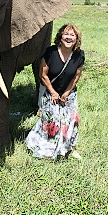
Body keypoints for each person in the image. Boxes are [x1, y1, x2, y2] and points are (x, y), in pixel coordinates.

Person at [26, 23, 85, 160]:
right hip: (50, 93)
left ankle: (70, 148)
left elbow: (76, 77)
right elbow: (42, 74)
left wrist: (66, 94)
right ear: (60, 37)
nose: (69, 37)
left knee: (71, 121)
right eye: (66, 34)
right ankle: (45, 148)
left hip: (68, 95)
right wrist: (53, 92)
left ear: (76, 38)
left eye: (72, 35)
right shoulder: (51, 52)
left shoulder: (79, 55)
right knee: (51, 122)